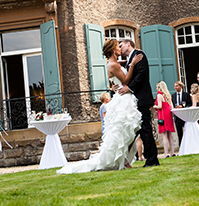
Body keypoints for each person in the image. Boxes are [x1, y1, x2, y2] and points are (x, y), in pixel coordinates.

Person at [57, 39, 143, 174]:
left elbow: (116, 79)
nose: (120, 49)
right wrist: (132, 65)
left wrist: (114, 84)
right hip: (123, 99)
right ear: (114, 50)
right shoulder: (113, 64)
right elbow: (126, 80)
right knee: (124, 131)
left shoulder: (114, 64)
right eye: (118, 47)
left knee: (130, 131)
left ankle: (124, 159)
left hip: (124, 97)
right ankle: (123, 161)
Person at [118, 39, 160, 167]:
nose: (119, 48)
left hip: (141, 98)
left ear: (128, 44)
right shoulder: (130, 59)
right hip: (134, 100)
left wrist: (129, 88)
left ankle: (152, 159)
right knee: (140, 130)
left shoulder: (139, 55)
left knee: (145, 129)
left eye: (121, 45)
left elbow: (142, 74)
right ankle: (142, 159)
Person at [153, 81, 175, 158]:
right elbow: (171, 106)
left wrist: (154, 106)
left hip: (162, 116)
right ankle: (172, 152)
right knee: (170, 135)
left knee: (164, 135)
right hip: (168, 115)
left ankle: (166, 153)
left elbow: (159, 106)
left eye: (157, 87)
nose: (156, 89)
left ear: (159, 87)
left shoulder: (159, 95)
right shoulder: (167, 95)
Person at [171, 81, 192, 147]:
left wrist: (182, 107)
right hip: (177, 117)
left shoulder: (186, 95)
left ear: (181, 86)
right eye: (175, 86)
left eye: (177, 86)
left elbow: (190, 104)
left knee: (187, 132)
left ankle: (188, 146)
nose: (175, 87)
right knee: (179, 133)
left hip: (185, 116)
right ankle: (181, 147)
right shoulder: (173, 96)